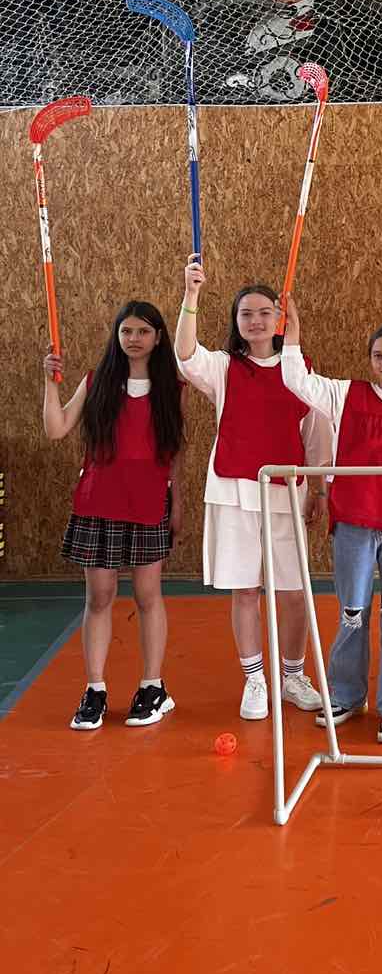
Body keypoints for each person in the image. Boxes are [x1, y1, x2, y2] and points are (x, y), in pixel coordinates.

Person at [175, 256, 330, 721]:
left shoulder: (299, 369)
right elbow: (185, 355)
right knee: (245, 591)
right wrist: (191, 294)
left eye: (265, 312)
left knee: (293, 591)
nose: (256, 321)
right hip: (234, 492)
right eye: (247, 313)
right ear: (236, 321)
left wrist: (318, 489)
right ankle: (255, 679)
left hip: (286, 493)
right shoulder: (224, 367)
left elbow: (317, 436)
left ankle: (292, 676)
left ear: (280, 319)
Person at [281, 299, 382, 744]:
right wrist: (293, 333)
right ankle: (346, 693)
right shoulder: (346, 395)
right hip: (353, 521)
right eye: (378, 355)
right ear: (369, 360)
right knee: (352, 611)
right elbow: (296, 380)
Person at [44, 301, 184, 731]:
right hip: (99, 502)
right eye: (126, 331)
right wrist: (49, 383)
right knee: (99, 597)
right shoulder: (95, 382)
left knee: (147, 596)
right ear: (117, 335)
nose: (133, 339)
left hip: (148, 504)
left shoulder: (172, 387)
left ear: (158, 338)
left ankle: (153, 687)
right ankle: (95, 690)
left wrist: (177, 501)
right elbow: (56, 428)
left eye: (143, 331)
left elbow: (174, 453)